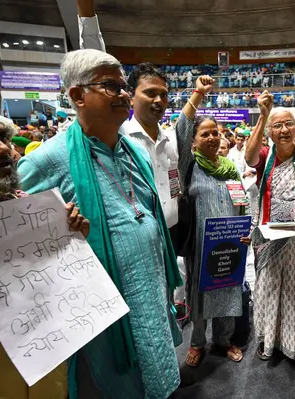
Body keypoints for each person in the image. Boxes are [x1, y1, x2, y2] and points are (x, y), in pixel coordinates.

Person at [17, 49, 183, 399]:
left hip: (150, 288)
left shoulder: (132, 150)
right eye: (111, 86)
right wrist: (55, 232)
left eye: (124, 86)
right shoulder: (49, 159)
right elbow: (12, 234)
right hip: (101, 308)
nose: (124, 94)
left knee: (155, 368)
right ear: (78, 95)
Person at [0, 100, 89, 398]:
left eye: (1, 137)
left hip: (44, 344)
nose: (1, 150)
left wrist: (74, 237)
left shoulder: (30, 204)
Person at [77, 1, 181, 236]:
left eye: (163, 95)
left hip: (172, 235)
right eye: (150, 93)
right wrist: (86, 14)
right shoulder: (118, 135)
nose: (158, 100)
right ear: (130, 97)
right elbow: (96, 65)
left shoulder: (171, 140)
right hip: (136, 236)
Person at [245, 91, 295, 364]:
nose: (284, 130)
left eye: (288, 123)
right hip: (269, 238)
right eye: (277, 126)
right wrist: (263, 114)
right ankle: (268, 340)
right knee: (266, 289)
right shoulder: (265, 157)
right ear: (270, 131)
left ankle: (294, 341)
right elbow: (248, 156)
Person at [175, 75, 247, 367]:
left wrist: (245, 230)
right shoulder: (189, 167)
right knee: (199, 295)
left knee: (228, 290)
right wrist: (198, 95)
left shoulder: (230, 169)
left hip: (229, 245)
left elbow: (242, 203)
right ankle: (197, 343)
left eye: (215, 133)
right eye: (204, 134)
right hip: (200, 247)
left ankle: (223, 341)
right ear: (193, 142)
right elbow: (180, 129)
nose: (212, 137)